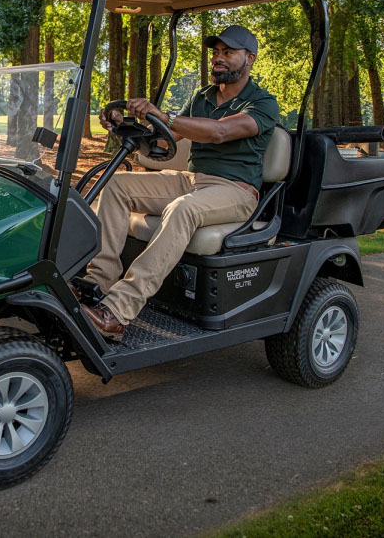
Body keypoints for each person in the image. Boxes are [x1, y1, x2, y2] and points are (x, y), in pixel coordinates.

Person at [80, 25, 280, 340]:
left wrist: (165, 115)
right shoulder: (202, 97)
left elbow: (220, 132)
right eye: (216, 53)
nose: (218, 59)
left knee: (182, 209)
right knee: (117, 185)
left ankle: (118, 311)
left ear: (249, 58)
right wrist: (124, 126)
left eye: (228, 53)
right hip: (191, 179)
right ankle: (96, 286)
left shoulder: (263, 103)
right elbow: (162, 143)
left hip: (235, 191)